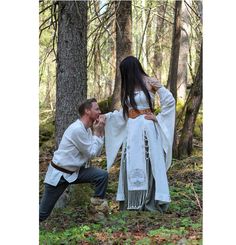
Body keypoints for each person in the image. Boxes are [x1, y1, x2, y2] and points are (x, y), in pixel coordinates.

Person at [104, 56, 175, 212]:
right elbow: (125, 112)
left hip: (147, 129)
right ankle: (132, 202)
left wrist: (158, 118)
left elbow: (169, 100)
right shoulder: (128, 87)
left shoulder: (150, 82)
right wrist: (107, 117)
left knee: (149, 162)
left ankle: (149, 202)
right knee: (130, 161)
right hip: (132, 130)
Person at [39, 98, 109, 222]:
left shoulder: (87, 129)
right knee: (42, 214)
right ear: (87, 111)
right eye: (96, 109)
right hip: (59, 175)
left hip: (75, 173)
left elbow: (96, 152)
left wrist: (99, 132)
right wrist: (97, 132)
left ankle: (97, 211)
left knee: (102, 176)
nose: (100, 111)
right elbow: (91, 153)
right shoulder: (77, 129)